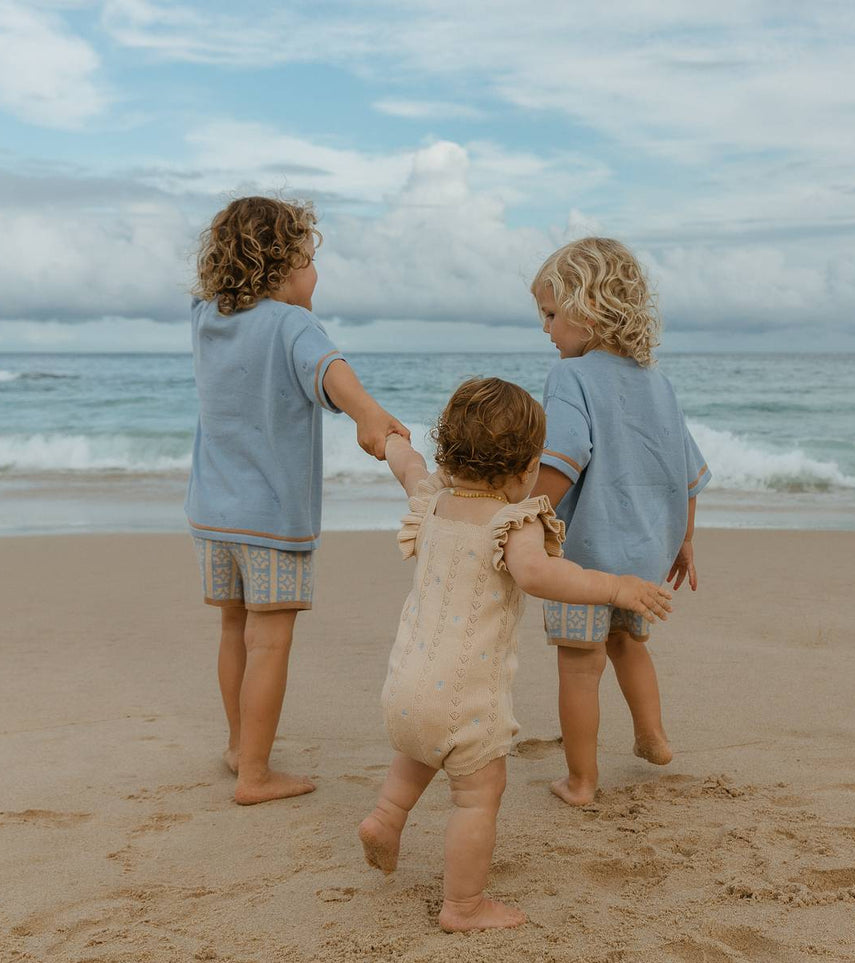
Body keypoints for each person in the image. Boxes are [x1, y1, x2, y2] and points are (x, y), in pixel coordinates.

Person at [357, 377, 672, 930]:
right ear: (526, 466)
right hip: (465, 697)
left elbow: (404, 464)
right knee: (477, 797)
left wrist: (388, 439)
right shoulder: (513, 523)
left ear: (449, 449)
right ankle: (463, 905)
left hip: (404, 684)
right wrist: (616, 587)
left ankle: (386, 817)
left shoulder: (432, 501)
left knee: (421, 749)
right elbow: (539, 574)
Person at [186, 196, 408, 805]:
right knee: (269, 643)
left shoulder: (206, 319)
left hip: (212, 513)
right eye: (308, 260)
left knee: (234, 631)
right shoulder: (292, 324)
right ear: (278, 267)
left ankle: (239, 748)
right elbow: (329, 369)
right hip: (271, 520)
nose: (316, 274)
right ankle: (256, 776)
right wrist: (368, 415)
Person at [530, 237, 711, 807]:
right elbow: (686, 473)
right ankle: (652, 736)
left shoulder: (572, 378)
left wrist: (522, 515)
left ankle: (581, 782)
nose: (547, 330)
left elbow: (561, 461)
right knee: (630, 648)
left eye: (552, 315)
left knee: (579, 668)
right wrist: (683, 540)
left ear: (588, 308)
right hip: (643, 558)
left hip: (581, 556)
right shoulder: (658, 382)